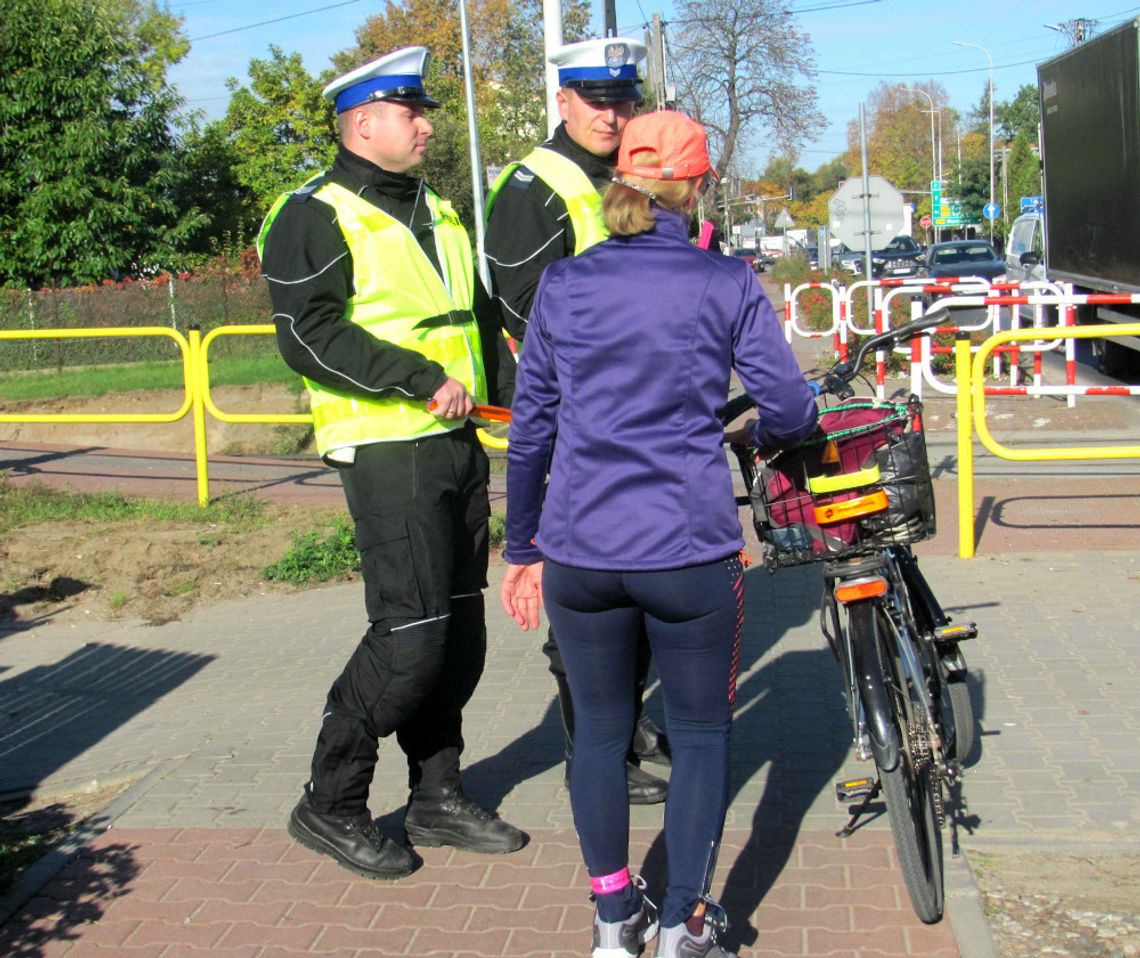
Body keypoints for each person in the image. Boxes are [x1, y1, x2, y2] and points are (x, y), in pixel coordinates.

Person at [499, 111, 818, 958]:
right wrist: (751, 426)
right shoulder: (727, 280)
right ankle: (684, 922)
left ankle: (613, 922)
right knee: (705, 734)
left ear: (620, 185)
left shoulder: (563, 286)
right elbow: (787, 407)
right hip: (688, 551)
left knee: (599, 733)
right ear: (697, 186)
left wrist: (521, 549)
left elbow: (532, 430)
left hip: (580, 551)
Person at [257, 46, 525, 881]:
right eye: (411, 113)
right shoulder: (312, 211)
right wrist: (416, 380)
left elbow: (475, 322)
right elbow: (309, 333)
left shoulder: (438, 210)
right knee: (410, 637)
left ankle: (437, 795)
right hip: (386, 447)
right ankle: (330, 802)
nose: (427, 124)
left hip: (455, 443)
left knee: (460, 634)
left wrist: (533, 400)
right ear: (364, 122)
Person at [484, 35, 671, 806]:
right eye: (597, 100)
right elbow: (528, 312)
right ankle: (593, 751)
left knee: (640, 582)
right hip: (574, 423)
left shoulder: (625, 173)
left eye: (623, 99)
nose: (612, 113)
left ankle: (619, 726)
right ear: (563, 101)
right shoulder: (535, 187)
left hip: (633, 416)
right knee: (587, 597)